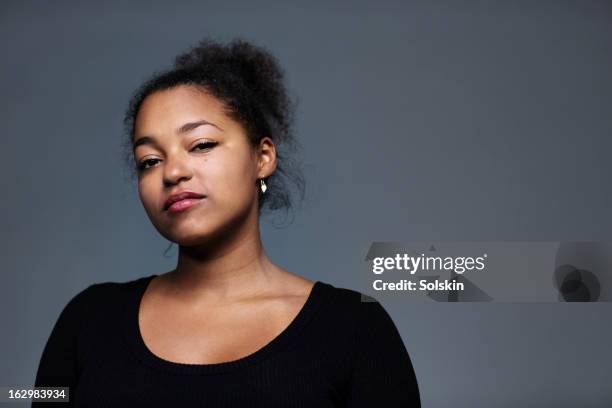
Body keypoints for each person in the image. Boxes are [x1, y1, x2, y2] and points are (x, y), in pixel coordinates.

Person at [33, 38, 421, 407]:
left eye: (201, 145)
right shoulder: (88, 320)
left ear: (262, 157)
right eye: (150, 161)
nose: (173, 172)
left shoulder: (354, 328)